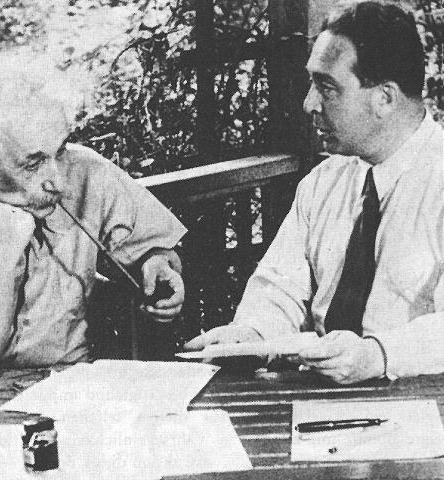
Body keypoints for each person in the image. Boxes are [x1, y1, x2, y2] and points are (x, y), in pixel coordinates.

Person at [185, 0, 444, 384]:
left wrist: (378, 355)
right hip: (320, 395)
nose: (309, 103)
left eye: (327, 87)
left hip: (419, 399)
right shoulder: (323, 182)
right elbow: (279, 288)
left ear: (385, 98)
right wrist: (252, 334)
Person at [0, 48, 186, 426]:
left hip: (72, 400)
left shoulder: (86, 171)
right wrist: (1, 253)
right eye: (33, 163)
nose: (57, 181)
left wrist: (157, 262)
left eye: (58, 151)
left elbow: (157, 249)